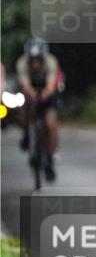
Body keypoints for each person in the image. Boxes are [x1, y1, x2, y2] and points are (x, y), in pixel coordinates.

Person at [16, 38, 61, 181]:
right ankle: (26, 132)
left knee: (51, 124)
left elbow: (51, 84)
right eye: (32, 60)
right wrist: (32, 94)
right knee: (22, 106)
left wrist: (45, 94)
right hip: (30, 94)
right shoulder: (22, 63)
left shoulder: (51, 62)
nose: (35, 63)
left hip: (47, 94)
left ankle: (49, 158)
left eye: (38, 60)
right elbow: (25, 84)